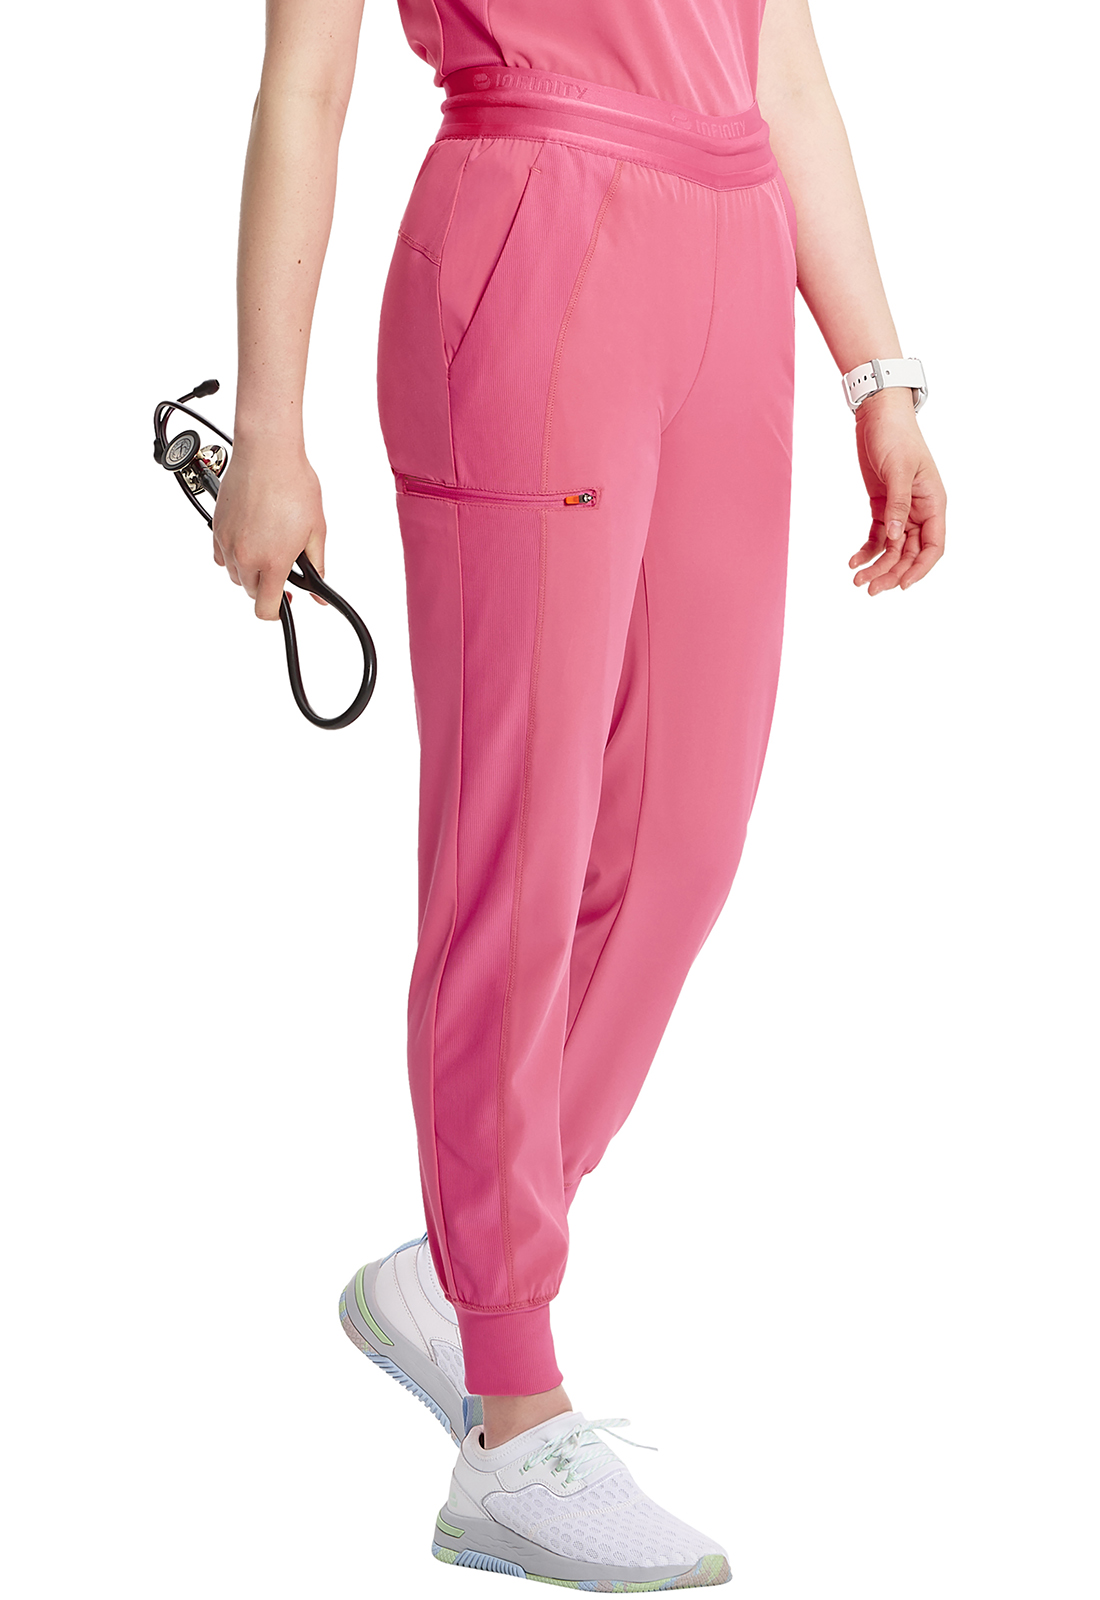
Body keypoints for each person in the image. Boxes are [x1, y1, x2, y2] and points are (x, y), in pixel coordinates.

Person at [213, 0, 947, 1587]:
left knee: (686, 840)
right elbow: (306, 80)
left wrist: (878, 368)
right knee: (518, 853)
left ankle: (454, 1266)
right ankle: (511, 1413)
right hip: (535, 228)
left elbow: (778, 54)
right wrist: (270, 425)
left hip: (736, 251)